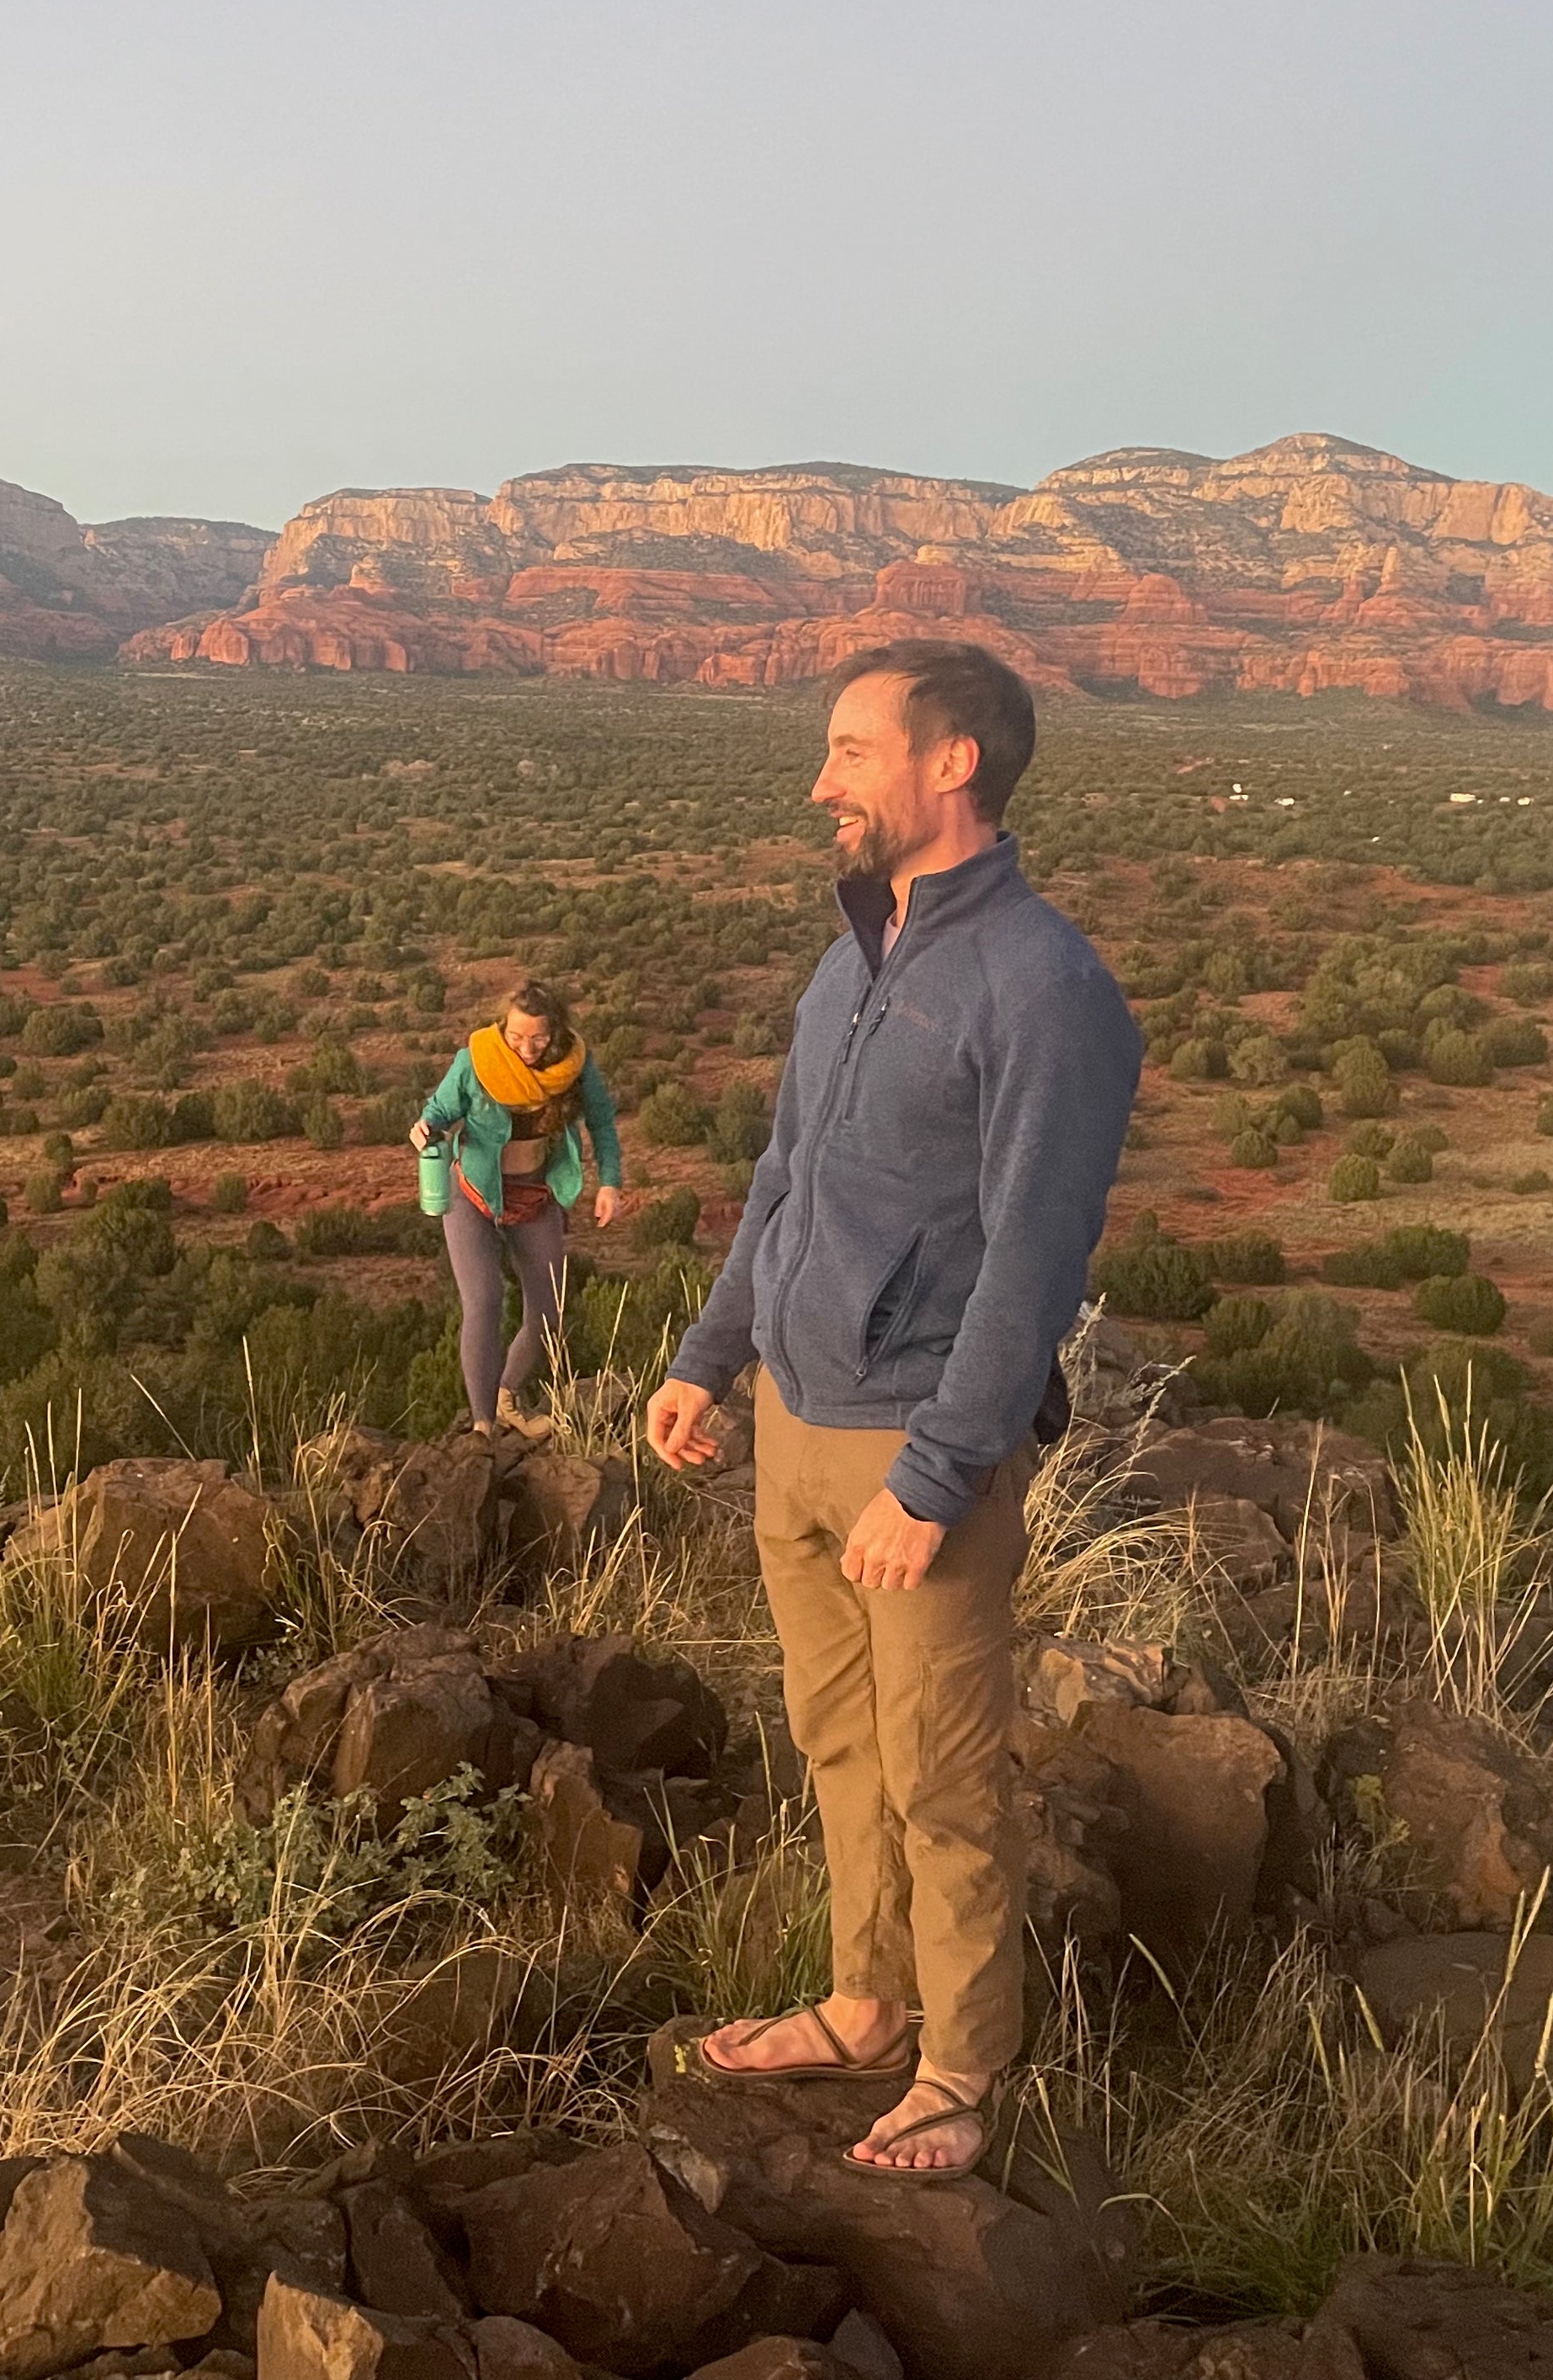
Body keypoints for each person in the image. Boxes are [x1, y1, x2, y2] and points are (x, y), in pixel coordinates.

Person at [644, 640, 1141, 2178]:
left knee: (943, 1770)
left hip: (911, 1441)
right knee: (838, 1741)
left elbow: (1036, 1263)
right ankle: (866, 2002)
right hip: (792, 1418)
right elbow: (787, 1179)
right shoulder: (857, 952)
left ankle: (964, 2067)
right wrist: (706, 1355)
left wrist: (934, 1477)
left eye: (853, 749)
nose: (821, 781)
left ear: (954, 765)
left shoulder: (1045, 988)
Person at [408, 981, 626, 1435]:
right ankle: (483, 1423)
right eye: (517, 1037)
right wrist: (425, 1127)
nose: (527, 1048)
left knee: (549, 1309)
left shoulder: (575, 1066)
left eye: (539, 1038)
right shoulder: (477, 1060)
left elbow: (603, 1122)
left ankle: (508, 1395)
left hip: (536, 1194)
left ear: (557, 1034)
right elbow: (439, 1111)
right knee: (485, 1302)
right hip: (474, 1192)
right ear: (502, 1028)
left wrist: (610, 1183)